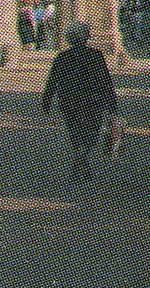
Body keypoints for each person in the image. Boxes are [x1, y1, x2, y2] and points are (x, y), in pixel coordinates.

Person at [41, 22, 120, 183]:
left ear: (69, 39)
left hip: (69, 102)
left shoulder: (62, 57)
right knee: (92, 135)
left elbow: (52, 81)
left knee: (76, 133)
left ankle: (79, 166)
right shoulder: (95, 55)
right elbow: (105, 80)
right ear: (87, 37)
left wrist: (46, 101)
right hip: (93, 102)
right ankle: (81, 163)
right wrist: (112, 103)